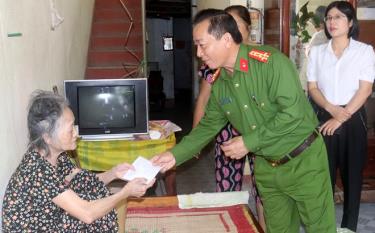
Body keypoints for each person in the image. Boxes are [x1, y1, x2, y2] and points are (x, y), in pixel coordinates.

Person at [152, 8, 336, 233]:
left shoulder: (271, 63)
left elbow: (293, 114)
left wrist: (248, 142)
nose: (198, 53)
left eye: (203, 44)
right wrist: (173, 155)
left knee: (320, 229)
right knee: (279, 229)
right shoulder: (220, 82)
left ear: (226, 39)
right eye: (196, 46)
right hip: (267, 167)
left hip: (304, 162)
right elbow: (208, 126)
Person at [2, 90, 154, 232]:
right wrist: (125, 192)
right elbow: (87, 214)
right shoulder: (37, 171)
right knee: (96, 213)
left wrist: (114, 173)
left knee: (96, 194)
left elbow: (84, 180)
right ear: (47, 137)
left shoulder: (55, 154)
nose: (76, 133)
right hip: (36, 228)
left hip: (49, 217)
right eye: (70, 130)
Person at [193, 5, 266, 231]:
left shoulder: (263, 58)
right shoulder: (213, 61)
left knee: (264, 186)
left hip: (259, 131)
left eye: (236, 25)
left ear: (247, 27)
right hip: (226, 129)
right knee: (227, 187)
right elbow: (204, 99)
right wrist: (196, 138)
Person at [307, 1, 375, 232]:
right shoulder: (316, 51)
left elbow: (365, 89)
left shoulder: (364, 51)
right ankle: (324, 226)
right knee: (322, 175)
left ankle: (350, 227)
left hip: (353, 117)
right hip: (324, 115)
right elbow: (312, 88)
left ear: (350, 22)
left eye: (338, 17)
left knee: (352, 177)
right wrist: (330, 108)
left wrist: (340, 117)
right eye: (328, 18)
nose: (332, 22)